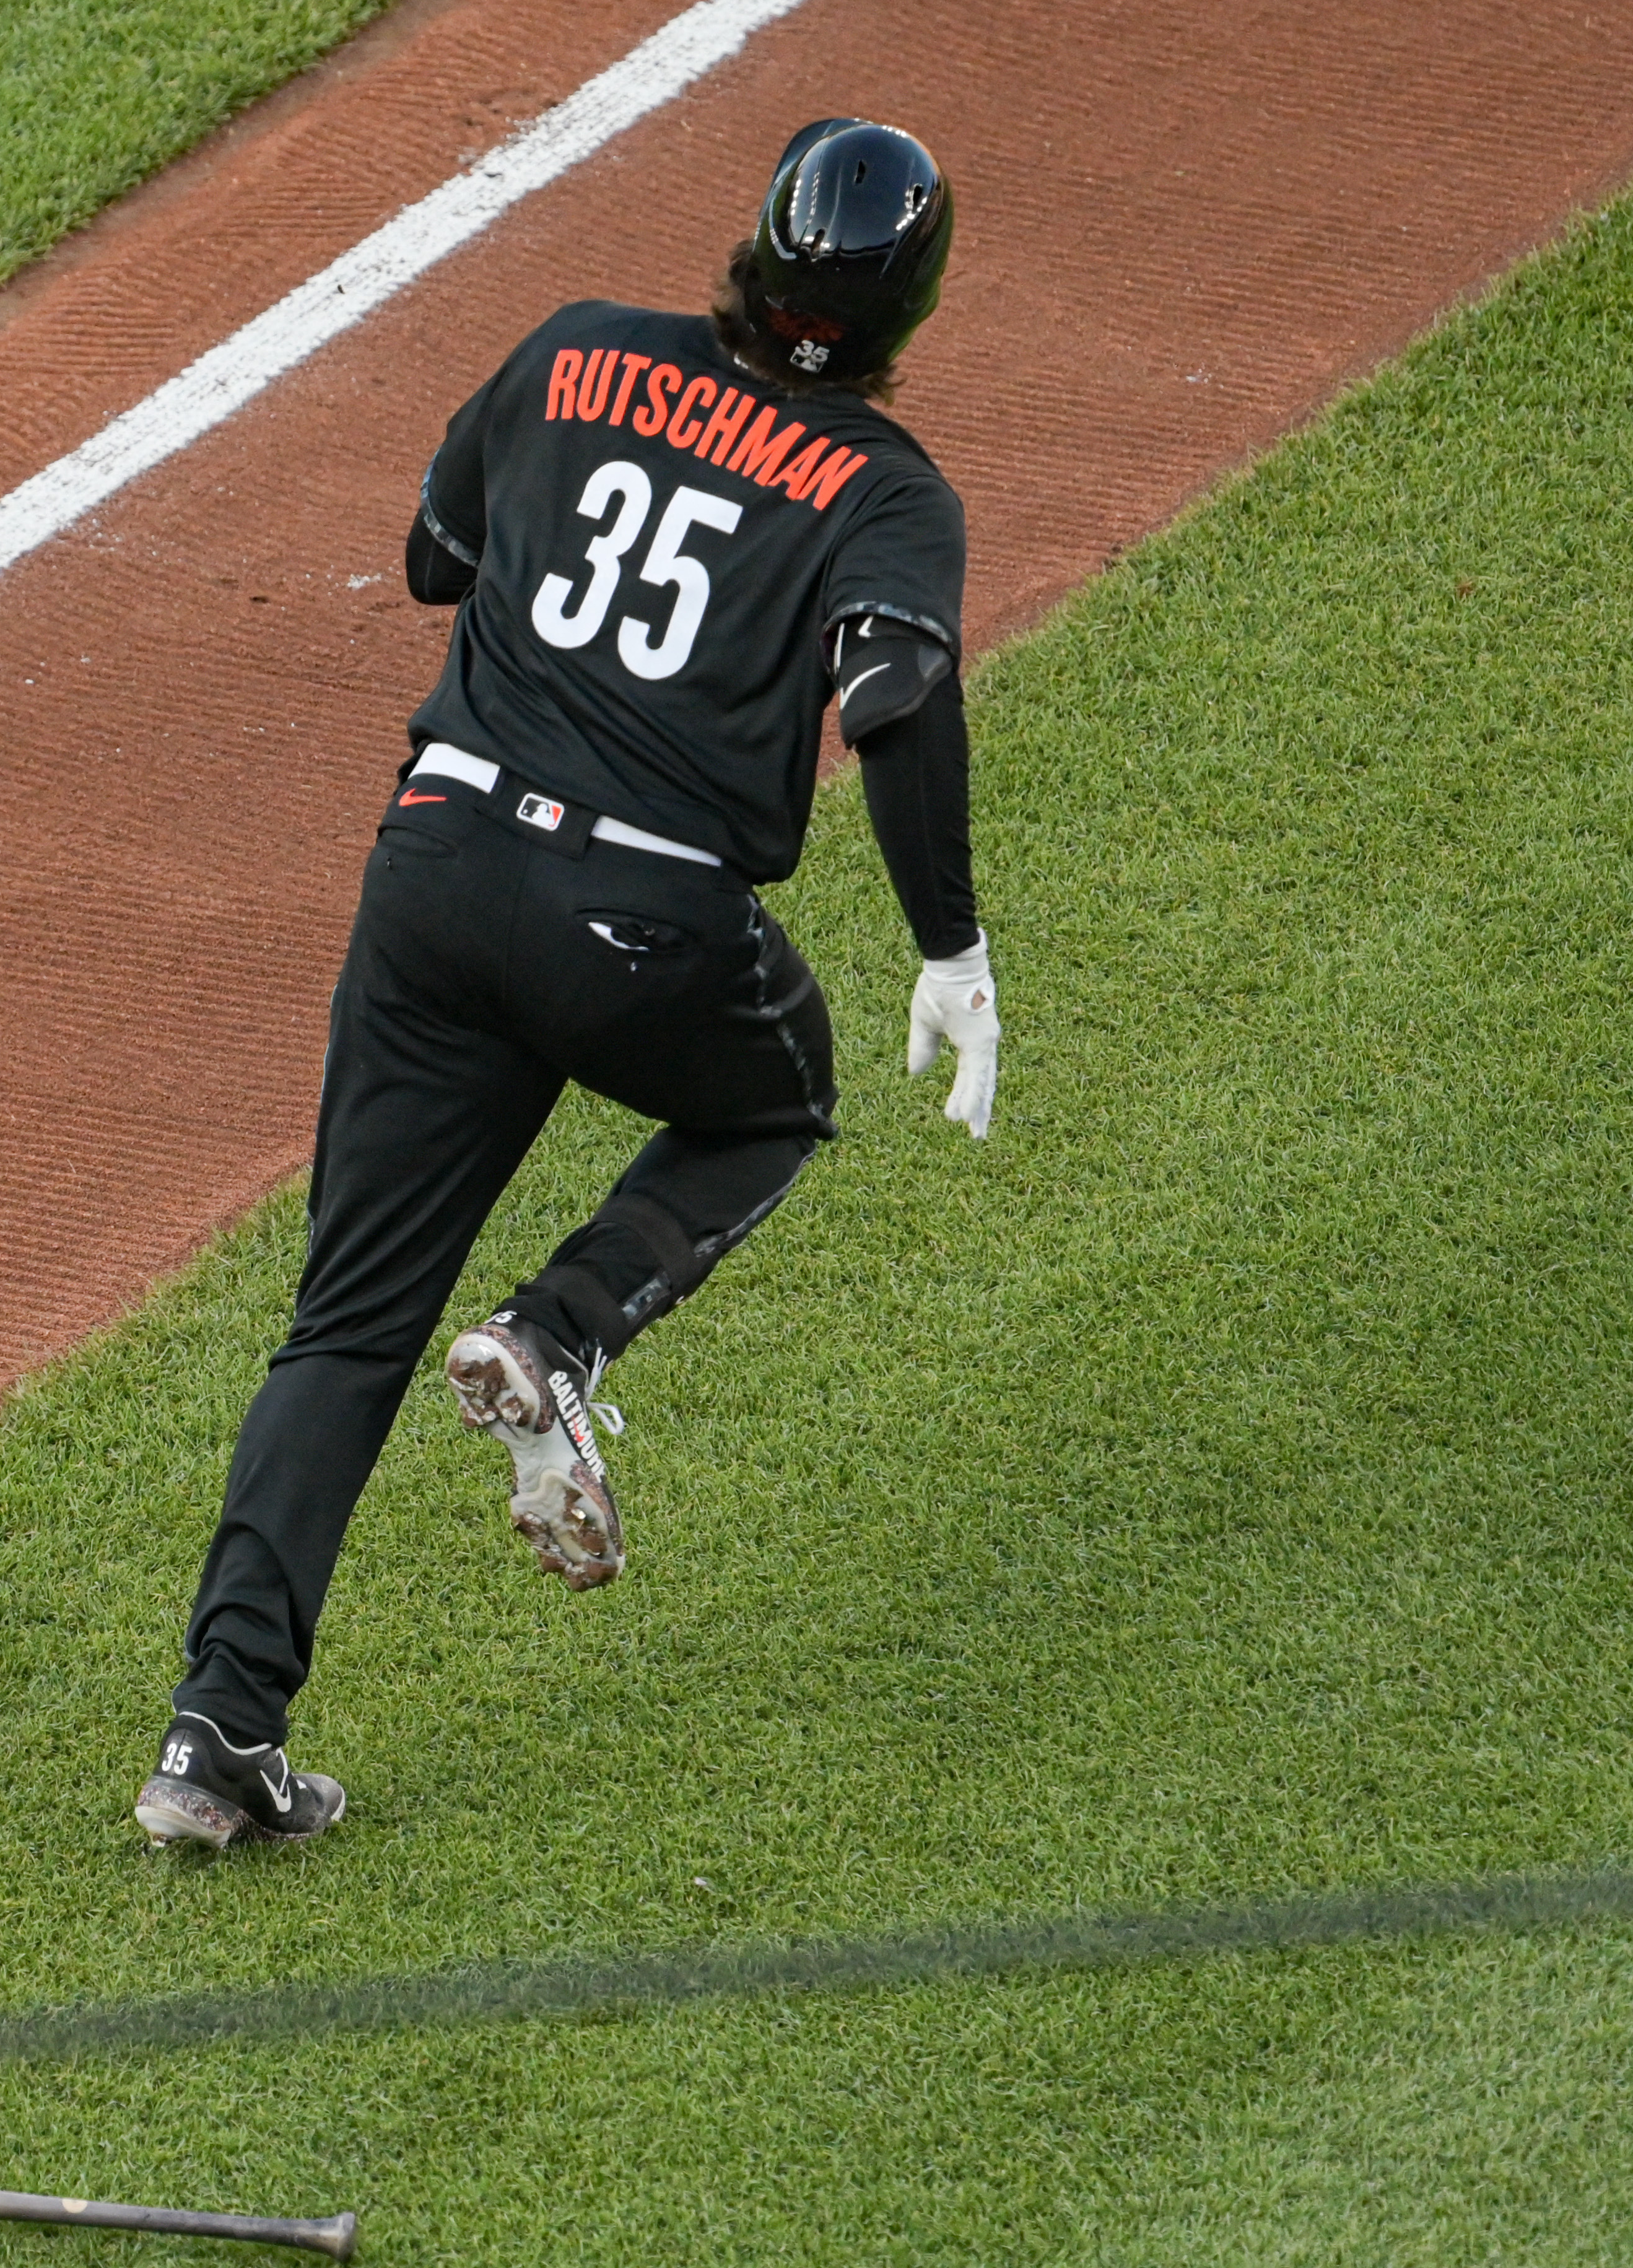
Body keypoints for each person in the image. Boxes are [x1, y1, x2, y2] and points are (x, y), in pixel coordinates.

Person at [134, 118, 1001, 1850]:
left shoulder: (580, 348)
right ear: (909, 307)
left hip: (439, 878)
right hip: (644, 928)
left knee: (347, 1323)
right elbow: (891, 698)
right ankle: (558, 1329)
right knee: (778, 1091)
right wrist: (949, 943)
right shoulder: (890, 489)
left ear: (757, 240)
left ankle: (217, 1736)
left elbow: (432, 561)